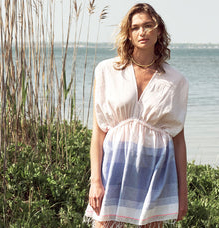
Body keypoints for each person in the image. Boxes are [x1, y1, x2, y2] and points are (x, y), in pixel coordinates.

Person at [84, 3, 189, 228]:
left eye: (148, 26)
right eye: (136, 27)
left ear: (158, 31)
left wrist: (182, 192)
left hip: (156, 172)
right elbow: (98, 132)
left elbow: (178, 140)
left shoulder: (176, 80)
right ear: (128, 34)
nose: (142, 32)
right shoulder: (107, 71)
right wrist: (96, 181)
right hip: (113, 172)